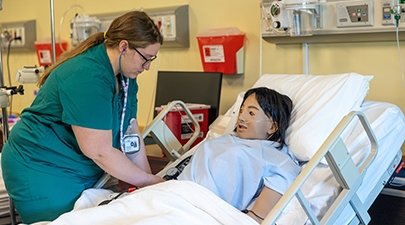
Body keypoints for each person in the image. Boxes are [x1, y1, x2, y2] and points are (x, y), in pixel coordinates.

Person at [1, 11, 164, 223]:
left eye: (152, 59)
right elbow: (99, 151)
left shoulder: (126, 78)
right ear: (124, 47)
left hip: (78, 166)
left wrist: (150, 186)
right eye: (146, 58)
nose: (147, 66)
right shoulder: (86, 76)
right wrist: (146, 181)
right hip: (40, 164)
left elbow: (130, 132)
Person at [172, 87, 301, 223]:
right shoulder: (224, 139)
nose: (241, 117)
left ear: (272, 127)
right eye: (241, 110)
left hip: (202, 211)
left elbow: (256, 217)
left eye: (251, 113)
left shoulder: (277, 158)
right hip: (175, 194)